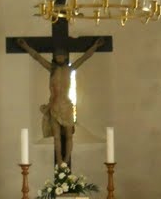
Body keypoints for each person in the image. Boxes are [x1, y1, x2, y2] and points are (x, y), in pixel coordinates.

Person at [16, 37, 103, 166]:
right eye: (57, 56)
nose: (60, 58)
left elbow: (84, 58)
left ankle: (66, 159)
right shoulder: (52, 69)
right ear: (54, 58)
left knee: (69, 135)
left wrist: (95, 46)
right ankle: (59, 159)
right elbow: (37, 57)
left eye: (62, 56)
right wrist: (26, 47)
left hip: (67, 106)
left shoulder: (70, 69)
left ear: (66, 57)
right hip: (54, 106)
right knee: (56, 136)